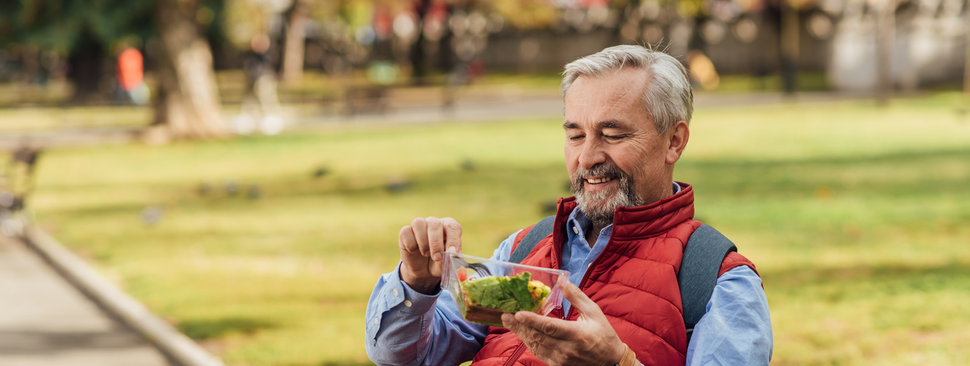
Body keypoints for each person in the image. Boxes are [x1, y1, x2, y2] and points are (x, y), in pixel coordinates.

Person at [365, 45, 772, 366]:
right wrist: (416, 283)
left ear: (674, 141)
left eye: (612, 134)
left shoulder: (717, 280)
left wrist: (619, 363)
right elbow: (404, 356)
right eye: (575, 136)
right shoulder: (522, 249)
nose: (588, 157)